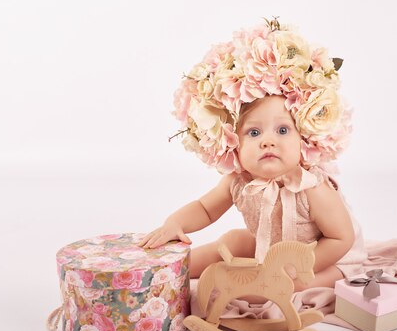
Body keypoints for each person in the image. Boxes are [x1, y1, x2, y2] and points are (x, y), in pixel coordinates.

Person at [137, 17, 367, 295]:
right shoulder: (239, 181)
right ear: (233, 143)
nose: (268, 141)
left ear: (304, 138)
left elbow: (340, 238)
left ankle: (269, 285)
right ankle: (169, 271)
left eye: (282, 130)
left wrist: (294, 268)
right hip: (270, 248)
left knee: (290, 284)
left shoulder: (312, 186)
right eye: (254, 133)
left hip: (325, 258)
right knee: (233, 241)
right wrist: (175, 223)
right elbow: (205, 208)